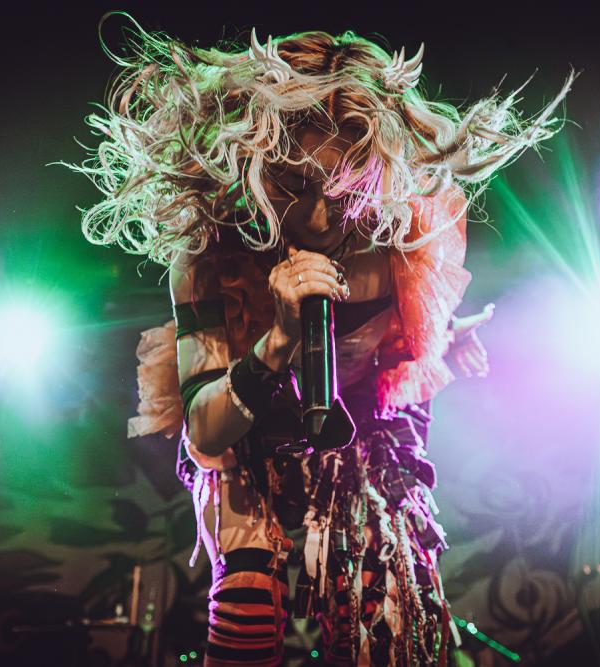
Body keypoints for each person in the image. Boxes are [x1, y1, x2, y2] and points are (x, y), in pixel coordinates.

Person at [71, 15, 570, 666]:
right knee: (247, 591)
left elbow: (408, 338)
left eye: (342, 190)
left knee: (387, 606)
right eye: (291, 185)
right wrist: (277, 341)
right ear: (256, 164)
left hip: (360, 422)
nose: (315, 217)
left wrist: (444, 339)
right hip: (245, 426)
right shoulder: (207, 254)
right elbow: (206, 430)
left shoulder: (408, 239)